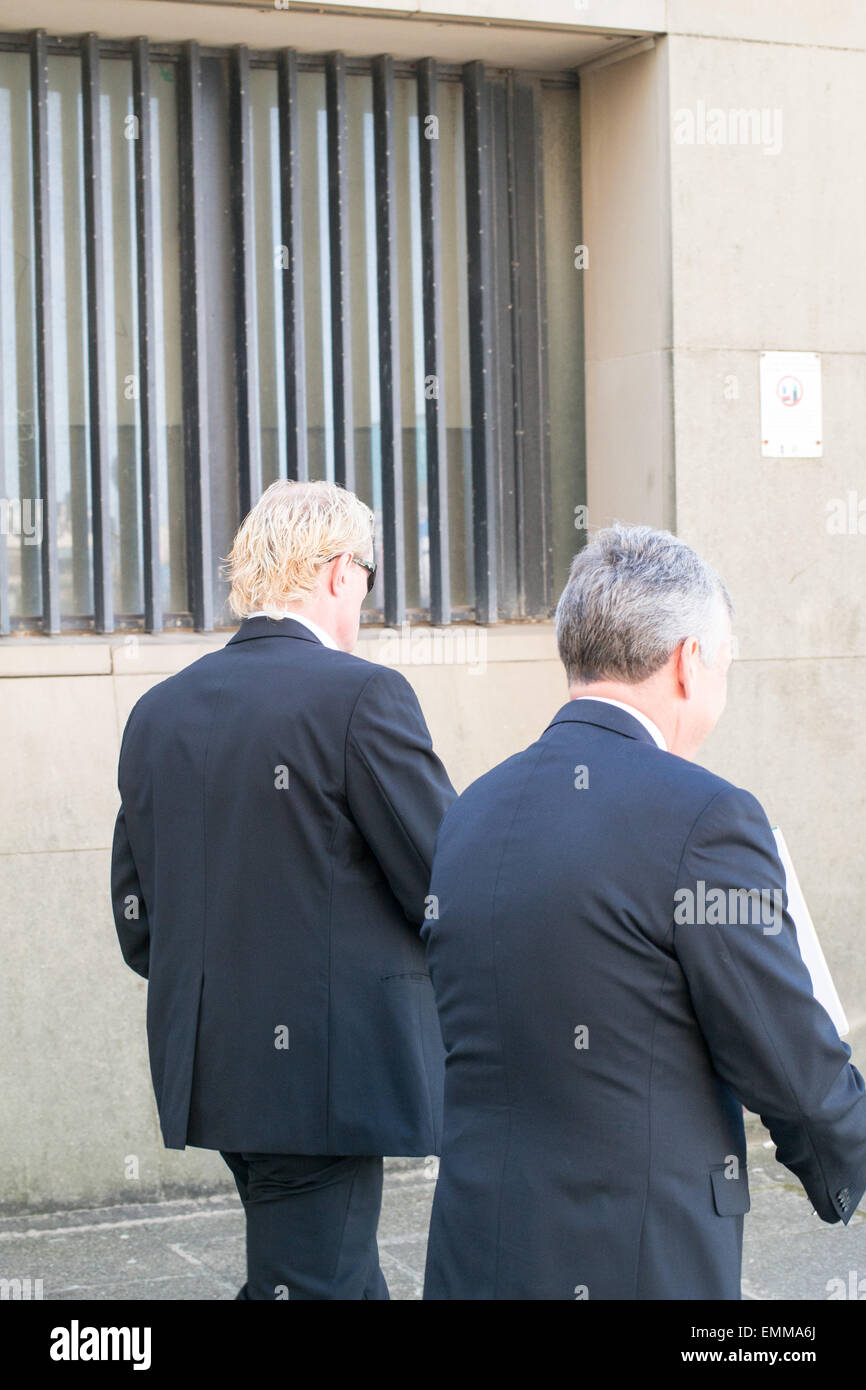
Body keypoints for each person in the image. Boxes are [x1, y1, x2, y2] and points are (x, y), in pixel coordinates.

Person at [422, 523, 866, 1300]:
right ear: (690, 662)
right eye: (726, 664)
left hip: (476, 1249)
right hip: (637, 1257)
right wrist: (848, 1162)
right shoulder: (707, 818)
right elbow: (786, 1059)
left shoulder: (472, 811)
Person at [111, 479, 455, 1300]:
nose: (367, 597)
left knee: (321, 1273)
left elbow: (138, 923)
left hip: (214, 1066)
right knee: (318, 1280)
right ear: (339, 571)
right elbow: (446, 880)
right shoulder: (362, 695)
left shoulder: (159, 711)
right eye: (369, 576)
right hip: (326, 1081)